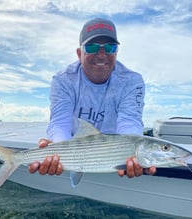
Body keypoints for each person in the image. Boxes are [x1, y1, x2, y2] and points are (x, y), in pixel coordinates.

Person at [29, 18, 156, 178]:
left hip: (115, 155)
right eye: (92, 47)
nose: (101, 55)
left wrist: (132, 156)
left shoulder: (132, 81)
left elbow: (130, 122)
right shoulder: (63, 79)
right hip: (77, 148)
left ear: (116, 52)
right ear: (79, 53)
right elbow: (60, 122)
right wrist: (57, 151)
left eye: (110, 47)